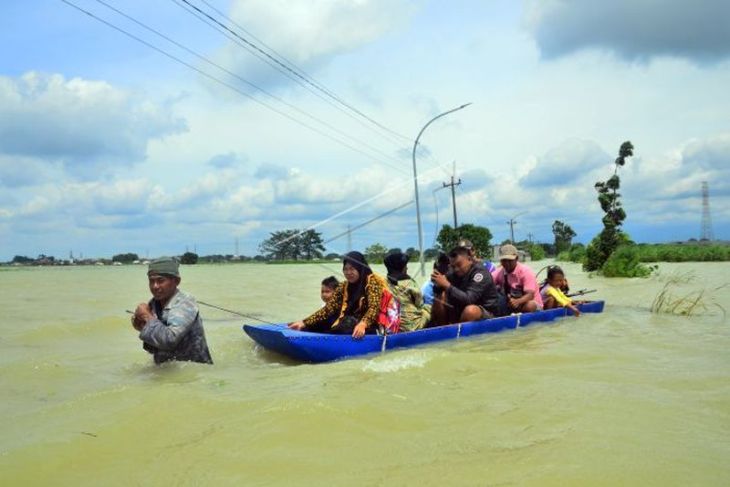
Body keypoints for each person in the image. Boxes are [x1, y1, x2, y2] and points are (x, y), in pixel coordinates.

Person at [131, 257, 213, 364]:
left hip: (193, 373)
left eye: (160, 281)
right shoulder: (153, 304)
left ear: (176, 281)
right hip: (166, 369)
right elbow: (152, 348)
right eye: (151, 281)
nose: (155, 286)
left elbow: (170, 339)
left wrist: (147, 317)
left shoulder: (185, 303)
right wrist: (141, 325)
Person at [289, 251, 388, 338]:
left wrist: (363, 323)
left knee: (347, 323)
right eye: (345, 269)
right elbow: (329, 309)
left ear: (360, 268)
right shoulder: (343, 286)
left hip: (367, 326)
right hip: (348, 321)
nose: (348, 272)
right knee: (319, 323)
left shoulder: (373, 282)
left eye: (352, 269)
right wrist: (305, 322)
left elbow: (374, 308)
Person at [430, 239, 500, 325]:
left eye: (459, 265)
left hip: (487, 313)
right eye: (453, 266)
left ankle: (459, 335)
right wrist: (437, 282)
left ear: (469, 259)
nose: (456, 269)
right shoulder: (453, 272)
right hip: (462, 309)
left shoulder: (480, 273)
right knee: (440, 298)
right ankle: (444, 330)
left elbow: (469, 299)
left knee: (470, 311)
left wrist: (446, 285)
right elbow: (437, 291)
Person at [384, 251, 431, 332]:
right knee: (429, 308)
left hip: (393, 326)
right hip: (412, 327)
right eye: (405, 266)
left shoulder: (384, 282)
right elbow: (419, 304)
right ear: (400, 267)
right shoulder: (409, 283)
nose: (407, 268)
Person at [491, 244, 543, 314]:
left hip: (531, 303)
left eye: (510, 260)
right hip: (511, 304)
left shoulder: (526, 272)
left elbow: (530, 295)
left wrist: (518, 301)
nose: (506, 263)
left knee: (529, 306)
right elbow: (487, 281)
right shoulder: (499, 271)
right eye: (504, 260)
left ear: (516, 259)